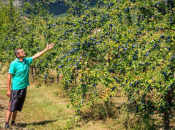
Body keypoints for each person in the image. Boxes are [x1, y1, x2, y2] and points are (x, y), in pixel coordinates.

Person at [4, 43, 55, 129]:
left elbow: (36, 55)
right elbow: (9, 77)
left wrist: (46, 49)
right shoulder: (14, 64)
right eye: (22, 52)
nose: (24, 52)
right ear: (17, 55)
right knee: (11, 106)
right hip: (16, 88)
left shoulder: (26, 61)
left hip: (24, 88)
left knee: (17, 107)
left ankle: (13, 122)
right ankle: (6, 124)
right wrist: (8, 90)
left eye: (23, 51)